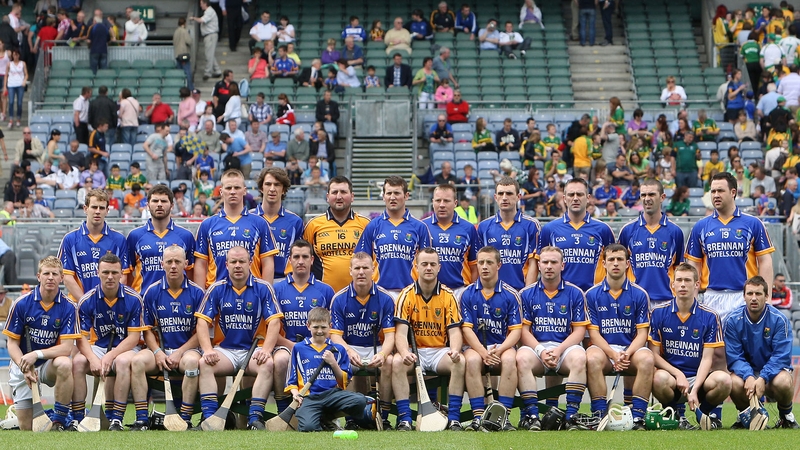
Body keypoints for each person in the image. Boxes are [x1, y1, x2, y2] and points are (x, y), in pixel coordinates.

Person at [195, 246, 282, 430]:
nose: (237, 265)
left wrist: (267, 350)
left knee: (267, 364)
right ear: (226, 265)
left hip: (253, 350)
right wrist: (208, 350)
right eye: (233, 262)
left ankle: (255, 418)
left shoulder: (263, 288)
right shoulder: (216, 288)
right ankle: (209, 418)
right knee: (204, 363)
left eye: (242, 261)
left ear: (250, 263)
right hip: (225, 351)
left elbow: (274, 322)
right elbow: (202, 322)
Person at [127, 245, 204, 430]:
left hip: (187, 351)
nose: (173, 266)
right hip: (158, 351)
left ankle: (185, 418)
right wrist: (157, 352)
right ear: (162, 264)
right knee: (137, 362)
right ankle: (141, 419)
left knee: (192, 363)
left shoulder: (197, 293)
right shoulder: (152, 291)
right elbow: (146, 330)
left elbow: (202, 332)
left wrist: (179, 352)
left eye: (177, 261)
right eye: (169, 262)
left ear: (186, 264)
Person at [686, 172, 774, 326]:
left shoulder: (753, 223)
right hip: (711, 297)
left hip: (745, 296)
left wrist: (767, 299)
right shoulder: (700, 226)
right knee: (713, 342)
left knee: (746, 342)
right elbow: (693, 266)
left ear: (733, 192)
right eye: (713, 191)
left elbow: (765, 261)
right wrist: (692, 300)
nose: (716, 195)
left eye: (720, 190)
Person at [649, 263, 730, 430]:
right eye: (679, 280)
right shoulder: (658, 313)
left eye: (687, 280)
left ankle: (704, 415)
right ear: (672, 285)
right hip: (672, 378)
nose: (683, 285)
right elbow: (654, 355)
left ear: (696, 284)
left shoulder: (710, 316)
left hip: (699, 377)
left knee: (725, 381)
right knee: (657, 379)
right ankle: (676, 416)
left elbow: (707, 358)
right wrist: (678, 374)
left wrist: (695, 389)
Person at [516, 246, 589, 431]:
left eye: (554, 262)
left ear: (562, 265)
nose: (549, 266)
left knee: (580, 357)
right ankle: (533, 416)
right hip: (536, 348)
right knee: (521, 358)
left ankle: (571, 417)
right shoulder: (526, 293)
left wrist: (558, 350)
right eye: (545, 262)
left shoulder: (575, 293)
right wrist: (541, 351)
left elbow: (579, 331)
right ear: (539, 265)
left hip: (565, 348)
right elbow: (523, 331)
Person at [393, 248, 466, 431]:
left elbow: (455, 332)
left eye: (433, 264)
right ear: (416, 266)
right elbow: (400, 334)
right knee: (396, 362)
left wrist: (455, 350)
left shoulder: (448, 296)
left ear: (439, 267)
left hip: (439, 352)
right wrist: (404, 353)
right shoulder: (406, 295)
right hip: (414, 351)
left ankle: (454, 418)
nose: (428, 268)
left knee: (459, 362)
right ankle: (405, 419)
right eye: (424, 264)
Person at [2, 256, 78, 431]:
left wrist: (36, 354)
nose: (50, 277)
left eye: (55, 274)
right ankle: (19, 418)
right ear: (38, 276)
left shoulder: (69, 307)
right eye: (46, 273)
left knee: (65, 363)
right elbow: (12, 344)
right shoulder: (21, 303)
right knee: (27, 427)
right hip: (23, 364)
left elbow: (67, 348)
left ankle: (59, 421)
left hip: (47, 364)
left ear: (61, 278)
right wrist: (24, 366)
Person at [71, 253, 145, 431]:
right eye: (105, 272)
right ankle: (78, 417)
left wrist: (111, 355)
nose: (110, 277)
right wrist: (93, 359)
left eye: (114, 272)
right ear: (98, 273)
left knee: (122, 362)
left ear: (121, 274)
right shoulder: (87, 300)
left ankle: (116, 419)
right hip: (99, 347)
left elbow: (134, 337)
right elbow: (81, 338)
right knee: (78, 362)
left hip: (126, 348)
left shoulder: (134, 299)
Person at [585, 244, 653, 430]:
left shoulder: (640, 294)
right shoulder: (591, 295)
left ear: (627, 264)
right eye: (611, 260)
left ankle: (638, 417)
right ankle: (600, 414)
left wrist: (626, 354)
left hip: (630, 350)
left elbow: (642, 334)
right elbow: (594, 334)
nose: (616, 263)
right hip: (604, 350)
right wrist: (613, 355)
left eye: (620, 259)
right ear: (604, 264)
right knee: (591, 358)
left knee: (647, 359)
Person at [329, 252, 396, 428]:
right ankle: (351, 419)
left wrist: (383, 354)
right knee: (341, 359)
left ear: (373, 270)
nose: (361, 272)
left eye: (365, 268)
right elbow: (335, 335)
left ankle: (384, 417)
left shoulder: (386, 298)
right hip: (350, 346)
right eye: (357, 268)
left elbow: (390, 336)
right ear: (350, 271)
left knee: (389, 362)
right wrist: (348, 351)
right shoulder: (339, 299)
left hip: (376, 347)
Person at [460, 246, 522, 431]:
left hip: (502, 346)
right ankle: (478, 417)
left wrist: (499, 350)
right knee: (471, 361)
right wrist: (482, 352)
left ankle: (503, 417)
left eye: (489, 262)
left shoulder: (511, 294)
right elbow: (466, 329)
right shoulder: (467, 293)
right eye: (481, 263)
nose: (484, 266)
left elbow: (516, 332)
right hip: (476, 347)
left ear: (499, 265)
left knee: (510, 359)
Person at [287, 307, 378, 432]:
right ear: (308, 326)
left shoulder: (338, 349)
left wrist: (333, 363)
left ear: (330, 326)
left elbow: (344, 381)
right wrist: (295, 394)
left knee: (360, 401)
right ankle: (321, 420)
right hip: (310, 397)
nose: (320, 331)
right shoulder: (298, 348)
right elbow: (291, 380)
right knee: (308, 428)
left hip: (333, 395)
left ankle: (327, 417)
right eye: (316, 327)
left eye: (323, 327)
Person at [270, 240, 335, 413]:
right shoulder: (276, 289)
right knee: (281, 361)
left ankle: (327, 413)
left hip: (318, 346)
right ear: (289, 260)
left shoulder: (326, 290)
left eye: (305, 257)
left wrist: (311, 346)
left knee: (330, 357)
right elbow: (270, 328)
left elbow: (332, 328)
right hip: (286, 346)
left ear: (312, 260)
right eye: (296, 257)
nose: (300, 261)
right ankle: (283, 412)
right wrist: (294, 346)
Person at [725, 276, 799, 429]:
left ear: (766, 296)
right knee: (732, 382)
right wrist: (748, 375)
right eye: (750, 293)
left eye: (758, 294)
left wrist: (763, 377)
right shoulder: (732, 320)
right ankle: (746, 415)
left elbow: (780, 357)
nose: (754, 298)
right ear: (744, 296)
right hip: (747, 376)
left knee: (784, 381)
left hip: (772, 376)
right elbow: (734, 357)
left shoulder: (779, 320)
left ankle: (786, 416)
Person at [194, 169, 277, 288]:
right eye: (228, 188)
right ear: (221, 192)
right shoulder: (207, 225)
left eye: (237, 188)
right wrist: (201, 295)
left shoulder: (260, 223)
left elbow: (268, 263)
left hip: (252, 293)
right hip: (217, 294)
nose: (232, 192)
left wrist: (266, 293)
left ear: (244, 191)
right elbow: (200, 264)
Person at [356, 176, 431, 298]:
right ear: (383, 196)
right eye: (389, 193)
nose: (392, 197)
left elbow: (428, 263)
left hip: (412, 293)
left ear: (406, 196)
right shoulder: (372, 226)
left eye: (397, 193)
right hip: (379, 293)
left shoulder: (420, 227)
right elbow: (361, 261)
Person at [617, 179, 685, 308]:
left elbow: (680, 269)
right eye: (643, 195)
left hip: (667, 300)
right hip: (634, 301)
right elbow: (619, 267)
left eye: (652, 194)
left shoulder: (675, 232)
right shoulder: (627, 231)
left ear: (662, 197)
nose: (647, 199)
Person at [538, 178, 615, 291]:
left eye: (579, 194)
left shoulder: (603, 229)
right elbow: (541, 264)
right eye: (571, 194)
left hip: (593, 295)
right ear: (564, 199)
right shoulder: (549, 229)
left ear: (588, 198)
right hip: (560, 295)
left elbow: (614, 264)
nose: (575, 198)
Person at [58, 189, 129, 300]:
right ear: (85, 209)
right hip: (79, 305)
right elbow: (67, 277)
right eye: (94, 207)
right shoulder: (70, 239)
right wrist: (85, 303)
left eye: (101, 208)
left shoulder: (119, 239)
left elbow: (123, 276)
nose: (97, 211)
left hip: (110, 305)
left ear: (107, 211)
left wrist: (108, 302)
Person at [303, 176, 370, 293]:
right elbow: (304, 260)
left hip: (359, 295)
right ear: (327, 197)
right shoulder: (313, 225)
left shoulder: (366, 224)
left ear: (352, 196)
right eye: (334, 192)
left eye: (343, 192)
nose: (339, 197)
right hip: (322, 295)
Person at [126, 184, 196, 293]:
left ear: (172, 205)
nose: (159, 204)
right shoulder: (135, 236)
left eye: (163, 201)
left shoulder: (186, 236)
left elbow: (190, 273)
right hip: (144, 299)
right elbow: (128, 274)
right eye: (155, 201)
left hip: (177, 299)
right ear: (148, 205)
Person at [476, 176, 540, 290]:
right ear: (495, 197)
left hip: (520, 290)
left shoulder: (531, 225)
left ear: (518, 197)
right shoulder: (483, 227)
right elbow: (479, 263)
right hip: (492, 292)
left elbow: (533, 264)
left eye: (509, 193)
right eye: (501, 194)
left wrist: (526, 294)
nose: (504, 198)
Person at [423, 184, 479, 295]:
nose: (442, 205)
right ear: (433, 202)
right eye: (438, 200)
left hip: (460, 291)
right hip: (429, 291)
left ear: (455, 203)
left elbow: (474, 266)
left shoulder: (468, 228)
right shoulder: (422, 227)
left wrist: (472, 293)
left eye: (446, 201)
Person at [252, 168, 303, 282]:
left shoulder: (295, 222)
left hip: (284, 282)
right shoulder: (248, 218)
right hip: (253, 281)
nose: (272, 189)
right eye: (268, 184)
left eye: (277, 185)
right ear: (261, 188)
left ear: (283, 189)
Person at [191, 0, 221, 81]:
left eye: (201, 4)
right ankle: (217, 70)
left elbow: (202, 20)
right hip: (209, 35)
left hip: (210, 35)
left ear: (205, 3)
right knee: (210, 54)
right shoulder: (208, 11)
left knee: (208, 55)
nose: (200, 5)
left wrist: (193, 18)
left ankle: (207, 73)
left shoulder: (209, 11)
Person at [172, 17, 193, 90]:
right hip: (184, 54)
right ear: (184, 23)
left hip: (177, 54)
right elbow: (189, 41)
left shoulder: (176, 31)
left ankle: (180, 88)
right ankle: (190, 88)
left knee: (179, 73)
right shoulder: (184, 31)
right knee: (187, 72)